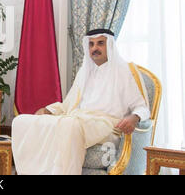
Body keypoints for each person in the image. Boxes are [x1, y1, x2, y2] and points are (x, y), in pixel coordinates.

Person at [11, 29, 150, 175]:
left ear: (110, 46)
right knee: (21, 121)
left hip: (107, 124)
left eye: (100, 43)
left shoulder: (124, 71)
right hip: (79, 118)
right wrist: (49, 110)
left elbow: (142, 107)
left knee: (70, 125)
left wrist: (134, 118)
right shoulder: (85, 72)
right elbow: (69, 105)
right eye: (91, 44)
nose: (94, 48)